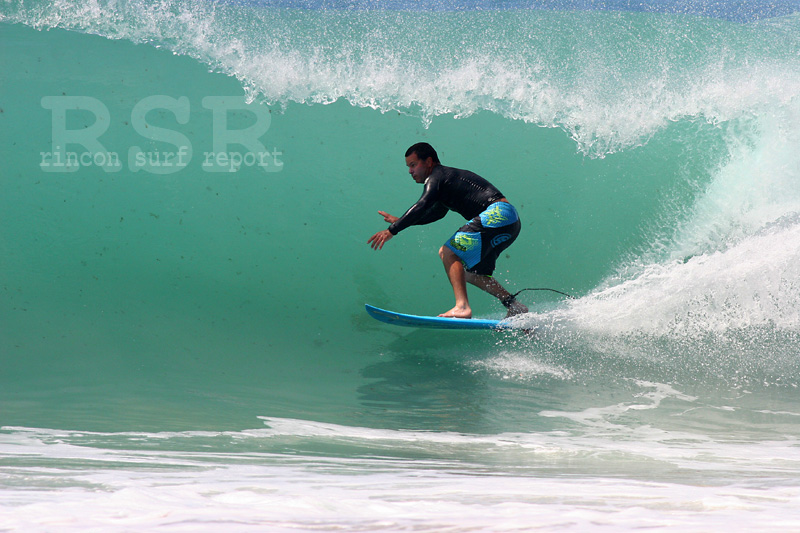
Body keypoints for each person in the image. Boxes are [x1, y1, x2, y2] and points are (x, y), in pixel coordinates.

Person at [368, 142, 528, 319]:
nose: (410, 171)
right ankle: (514, 305)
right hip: (510, 221)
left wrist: (392, 230)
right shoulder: (445, 184)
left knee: (448, 252)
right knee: (471, 274)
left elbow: (422, 205)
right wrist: (403, 221)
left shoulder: (437, 176)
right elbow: (435, 214)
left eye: (413, 165)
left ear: (428, 162)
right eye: (408, 167)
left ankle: (462, 307)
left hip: (498, 214)